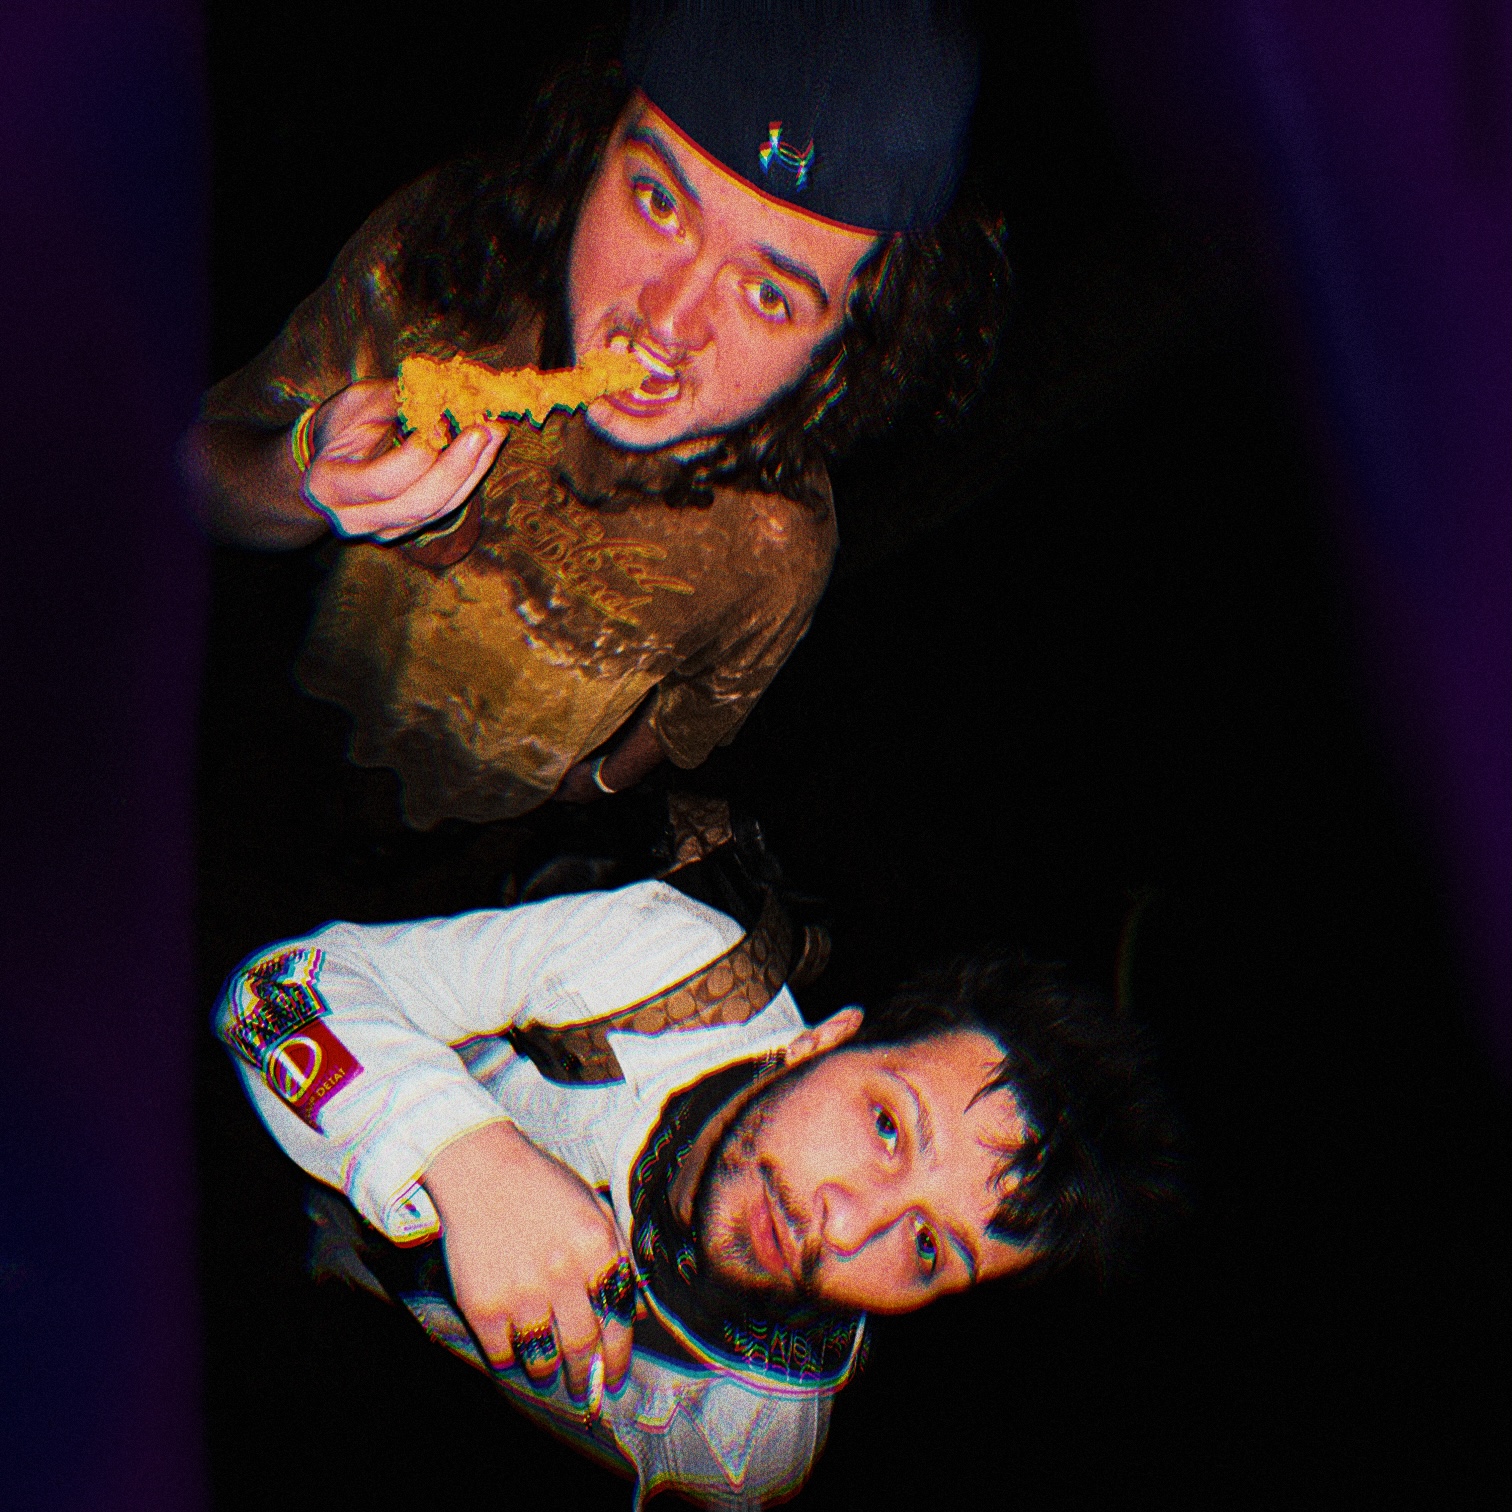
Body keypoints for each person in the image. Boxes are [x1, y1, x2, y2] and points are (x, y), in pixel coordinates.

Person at [179, 1, 1008, 828]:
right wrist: (298, 471)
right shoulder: (435, 267)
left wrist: (601, 783)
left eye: (767, 293)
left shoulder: (779, 546)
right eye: (659, 202)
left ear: (842, 345)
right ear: (592, 147)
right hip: (277, 705)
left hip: (479, 809)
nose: (668, 321)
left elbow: (696, 714)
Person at [216, 870, 1181, 1508]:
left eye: (928, 1247)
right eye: (888, 1126)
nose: (846, 1224)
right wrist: (469, 1157)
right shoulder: (666, 969)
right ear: (821, 1042)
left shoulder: (753, 1439)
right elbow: (270, 994)